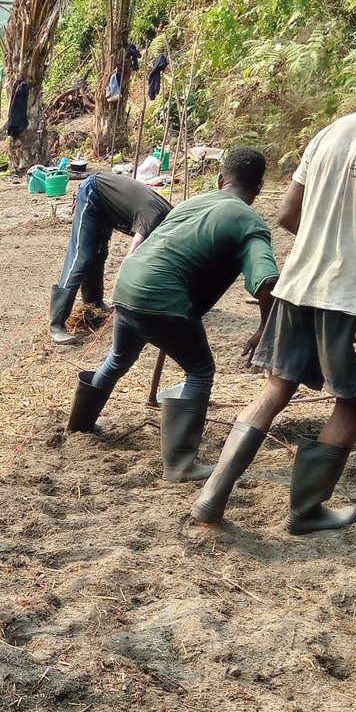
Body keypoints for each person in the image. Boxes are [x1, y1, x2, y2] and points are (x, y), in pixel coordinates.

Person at [191, 53, 356, 533]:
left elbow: (287, 214)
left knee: (275, 388)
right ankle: (306, 510)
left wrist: (320, 246)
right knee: (352, 401)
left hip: (296, 284)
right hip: (347, 296)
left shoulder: (329, 132)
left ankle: (211, 497)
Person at [67, 147, 278, 483]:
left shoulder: (194, 202)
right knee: (200, 370)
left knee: (118, 358)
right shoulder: (250, 223)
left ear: (220, 179)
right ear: (259, 187)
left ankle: (80, 424)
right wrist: (266, 328)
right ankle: (181, 464)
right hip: (163, 297)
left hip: (128, 282)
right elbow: (268, 280)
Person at [49, 172, 172, 344]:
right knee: (81, 256)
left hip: (107, 204)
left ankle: (94, 302)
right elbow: (132, 256)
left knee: (99, 253)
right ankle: (56, 324)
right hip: (94, 191)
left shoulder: (171, 221)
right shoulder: (156, 218)